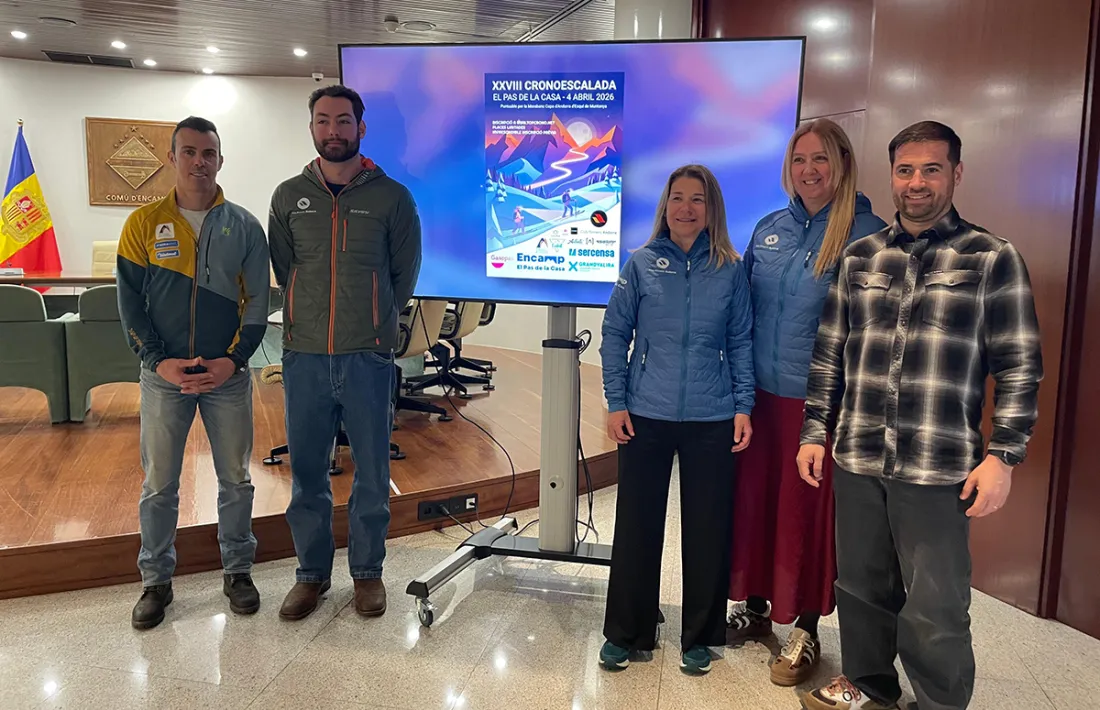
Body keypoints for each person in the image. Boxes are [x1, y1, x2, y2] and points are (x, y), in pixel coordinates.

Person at [797, 121, 1043, 710]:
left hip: (938, 464)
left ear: (956, 174)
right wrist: (814, 431)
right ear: (892, 176)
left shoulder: (992, 258)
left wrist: (1004, 455)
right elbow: (830, 353)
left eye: (931, 169)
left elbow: (1019, 363)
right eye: (905, 170)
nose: (916, 182)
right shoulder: (861, 257)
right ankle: (868, 685)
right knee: (860, 586)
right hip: (859, 455)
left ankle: (939, 702)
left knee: (936, 605)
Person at [726, 119, 887, 685]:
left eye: (820, 159)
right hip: (761, 399)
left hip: (820, 406)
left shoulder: (868, 235)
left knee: (806, 519)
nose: (809, 171)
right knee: (756, 507)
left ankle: (807, 627)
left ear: (841, 163)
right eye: (799, 160)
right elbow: (741, 312)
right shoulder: (770, 228)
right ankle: (756, 605)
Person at [269, 85, 422, 621]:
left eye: (342, 120)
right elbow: (285, 268)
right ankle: (310, 575)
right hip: (305, 355)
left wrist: (375, 324)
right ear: (312, 127)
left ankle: (367, 572)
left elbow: (403, 276)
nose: (332, 130)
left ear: (361, 127)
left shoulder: (392, 198)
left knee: (372, 472)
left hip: (367, 356)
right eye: (322, 120)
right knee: (308, 473)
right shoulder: (289, 196)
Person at [598, 164, 755, 675]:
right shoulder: (641, 264)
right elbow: (615, 335)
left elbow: (741, 341)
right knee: (636, 526)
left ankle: (700, 635)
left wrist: (743, 406)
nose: (686, 208)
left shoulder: (730, 269)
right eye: (678, 198)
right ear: (665, 206)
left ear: (712, 210)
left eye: (697, 199)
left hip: (712, 416)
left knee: (708, 529)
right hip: (646, 412)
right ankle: (627, 631)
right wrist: (616, 401)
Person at [117, 116, 270, 630]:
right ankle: (155, 581)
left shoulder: (244, 226)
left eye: (208, 153)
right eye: (189, 151)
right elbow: (129, 304)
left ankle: (238, 571)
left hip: (227, 376)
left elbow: (257, 302)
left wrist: (234, 359)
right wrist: (157, 360)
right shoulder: (143, 224)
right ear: (172, 157)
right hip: (165, 377)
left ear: (220, 160)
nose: (199, 162)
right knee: (159, 484)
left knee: (237, 480)